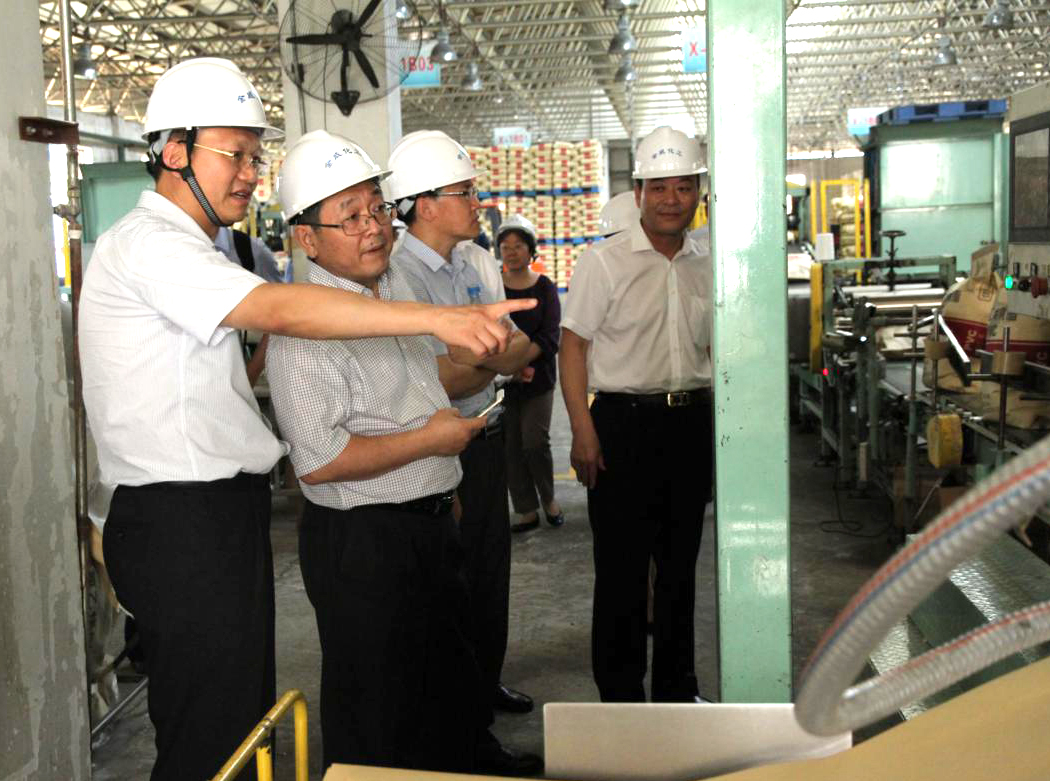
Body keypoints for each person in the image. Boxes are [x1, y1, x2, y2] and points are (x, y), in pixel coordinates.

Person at [79, 58, 530, 781]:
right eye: (235, 153)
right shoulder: (149, 243)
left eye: (255, 157)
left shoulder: (195, 246)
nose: (249, 174)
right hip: (181, 518)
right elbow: (279, 309)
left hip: (215, 514)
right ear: (174, 151)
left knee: (238, 729)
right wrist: (437, 317)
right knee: (211, 741)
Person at [266, 130, 489, 773]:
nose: (374, 228)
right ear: (307, 239)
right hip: (364, 544)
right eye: (351, 217)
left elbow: (416, 389)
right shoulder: (302, 333)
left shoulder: (393, 293)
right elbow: (319, 462)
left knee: (443, 695)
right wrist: (433, 441)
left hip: (426, 526)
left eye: (377, 209)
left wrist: (440, 488)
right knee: (379, 715)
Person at [386, 130, 542, 776]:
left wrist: (479, 360)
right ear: (424, 204)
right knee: (447, 590)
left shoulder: (478, 262)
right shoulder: (395, 276)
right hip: (436, 449)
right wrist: (490, 361)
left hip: (488, 437)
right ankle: (462, 729)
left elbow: (522, 345)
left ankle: (483, 686)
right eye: (465, 192)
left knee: (489, 577)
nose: (478, 202)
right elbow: (433, 382)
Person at [559, 125, 713, 704]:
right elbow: (572, 346)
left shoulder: (710, 261)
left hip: (691, 425)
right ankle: (620, 699)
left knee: (680, 569)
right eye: (660, 188)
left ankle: (677, 692)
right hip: (623, 427)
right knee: (621, 572)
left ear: (698, 191)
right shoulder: (604, 262)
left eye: (683, 187)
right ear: (639, 192)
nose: (672, 199)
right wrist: (583, 430)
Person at [496, 215, 564, 533]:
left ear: (530, 250)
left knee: (535, 442)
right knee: (510, 446)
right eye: (505, 247)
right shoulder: (494, 286)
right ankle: (526, 509)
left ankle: (549, 499)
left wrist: (520, 362)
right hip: (502, 382)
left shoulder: (544, 287)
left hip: (538, 378)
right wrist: (508, 368)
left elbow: (550, 335)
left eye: (518, 246)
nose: (511, 252)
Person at [214, 225, 285, 385]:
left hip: (233, 379)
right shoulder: (165, 247)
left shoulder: (248, 248)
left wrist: (250, 376)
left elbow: (280, 310)